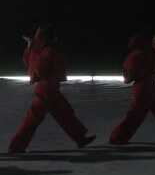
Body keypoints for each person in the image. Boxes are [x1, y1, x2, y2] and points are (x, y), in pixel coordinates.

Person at [8, 25, 96, 153]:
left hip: (48, 89)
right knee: (37, 119)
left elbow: (30, 63)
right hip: (47, 89)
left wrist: (30, 47)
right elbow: (40, 69)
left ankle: (80, 138)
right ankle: (16, 147)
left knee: (64, 114)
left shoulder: (39, 51)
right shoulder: (48, 51)